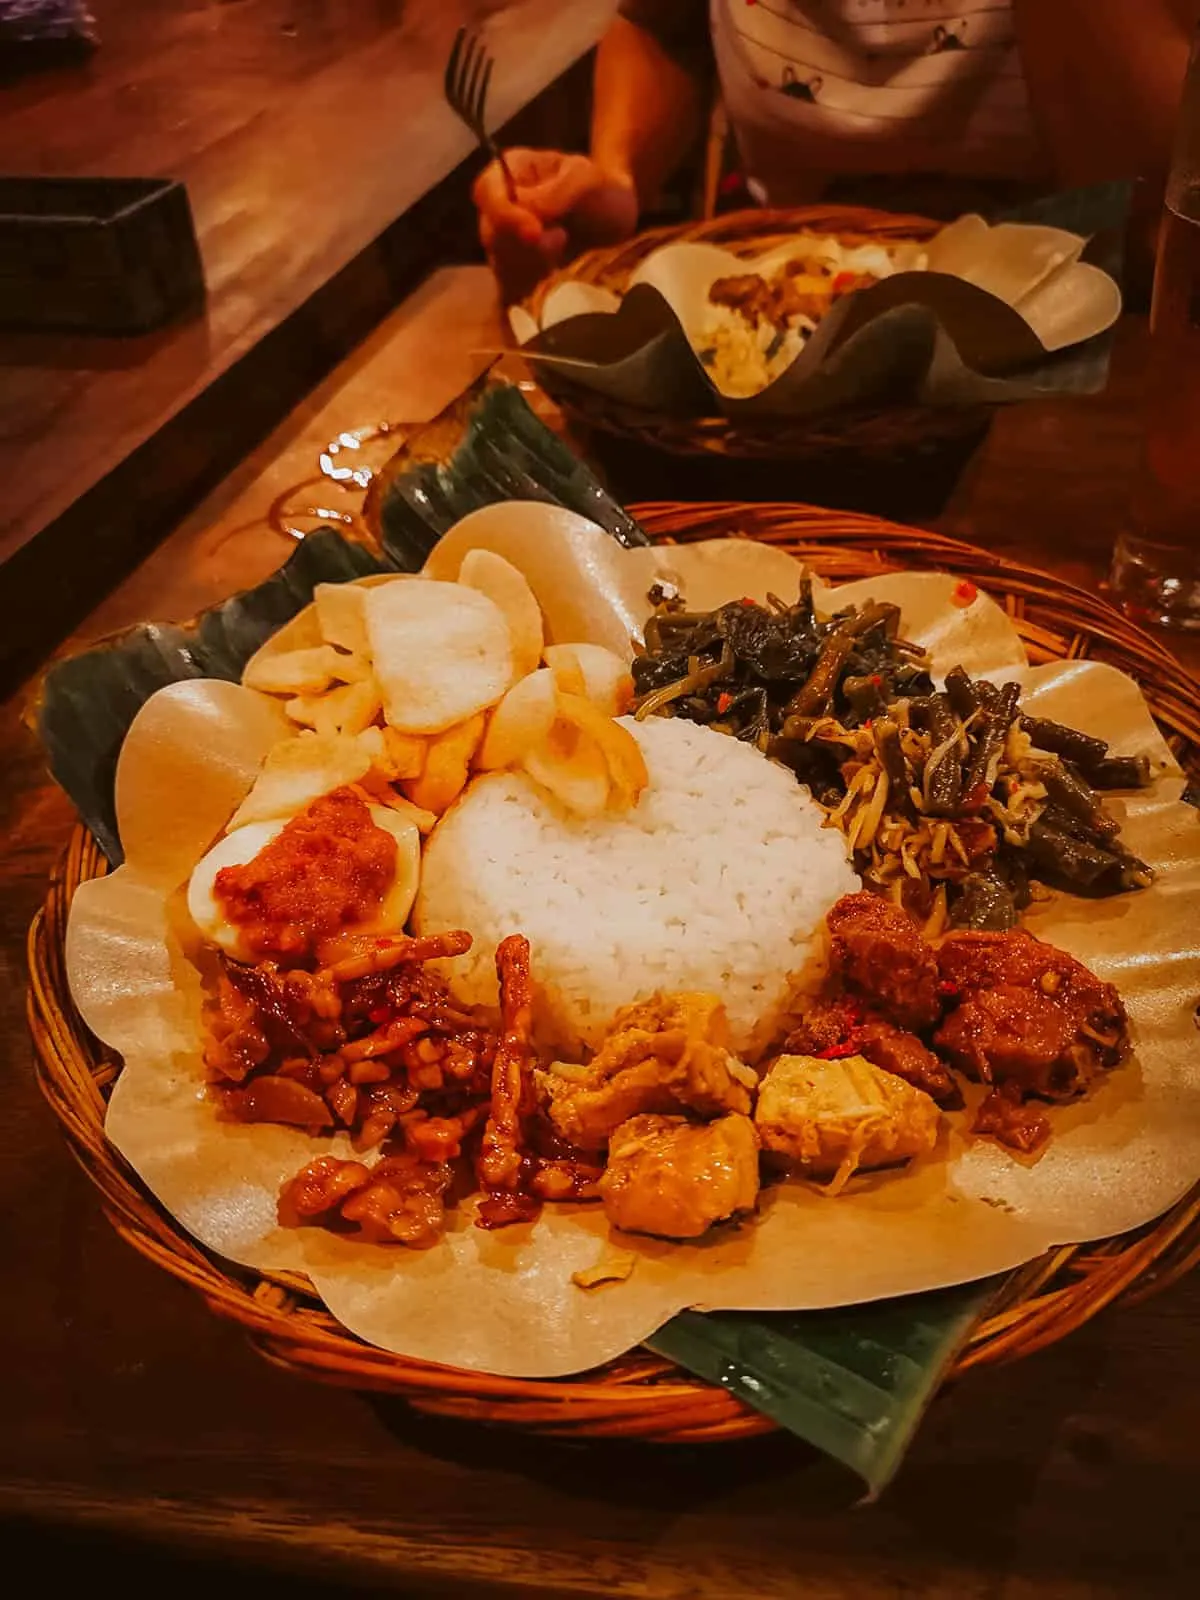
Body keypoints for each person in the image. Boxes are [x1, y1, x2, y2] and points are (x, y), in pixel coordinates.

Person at [474, 0, 1198, 299]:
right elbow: (663, 24)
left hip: (1079, 331)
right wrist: (615, 170)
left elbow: (1150, 202)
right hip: (782, 310)